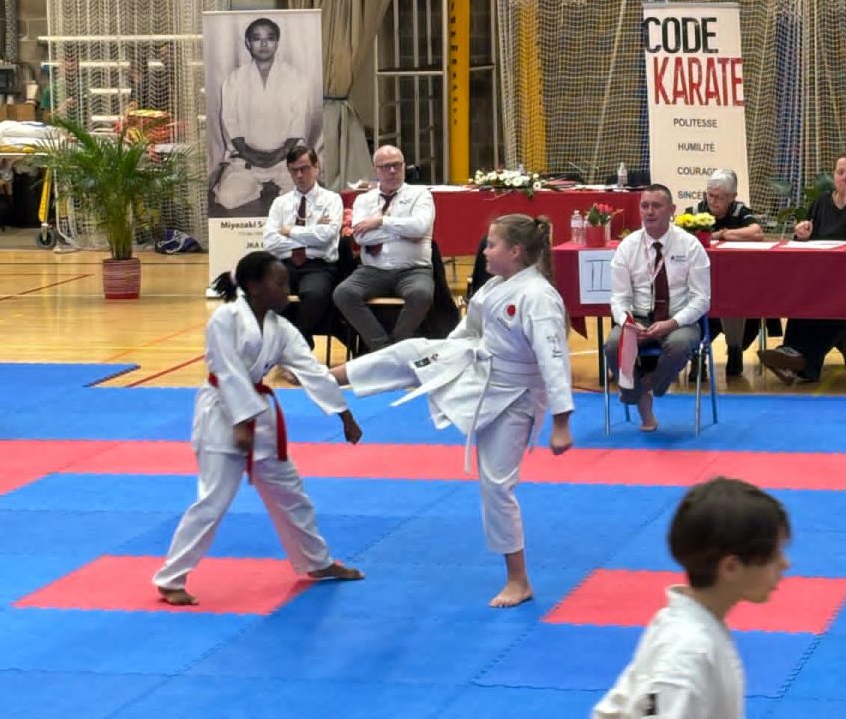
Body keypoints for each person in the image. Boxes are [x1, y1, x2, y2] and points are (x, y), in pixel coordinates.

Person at [332, 213, 573, 608]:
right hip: (480, 368)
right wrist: (443, 354)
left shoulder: (538, 297)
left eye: (491, 245)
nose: (484, 251)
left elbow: (555, 360)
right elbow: (469, 330)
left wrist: (561, 422)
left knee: (496, 485)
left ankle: (519, 580)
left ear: (515, 251)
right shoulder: (494, 286)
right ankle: (329, 378)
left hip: (516, 396)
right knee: (413, 351)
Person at [152, 250, 363, 605]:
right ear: (253, 286)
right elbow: (228, 370)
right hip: (222, 414)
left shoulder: (281, 329)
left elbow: (311, 370)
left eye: (286, 284)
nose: (286, 291)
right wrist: (241, 422)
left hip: (260, 417)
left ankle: (316, 561)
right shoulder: (226, 319)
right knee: (213, 501)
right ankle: (171, 578)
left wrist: (345, 415)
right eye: (278, 283)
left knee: (292, 495)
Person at [592, 477, 790, 719]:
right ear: (731, 568)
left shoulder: (680, 624)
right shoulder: (688, 654)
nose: (785, 564)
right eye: (774, 556)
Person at [759, 153, 846, 384]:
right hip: (821, 279)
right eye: (840, 172)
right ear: (834, 176)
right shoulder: (822, 202)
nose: (844, 177)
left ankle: (798, 362)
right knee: (803, 301)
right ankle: (793, 358)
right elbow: (806, 240)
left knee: (838, 307)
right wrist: (802, 235)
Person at [605, 184, 711, 433]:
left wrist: (672, 323)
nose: (650, 211)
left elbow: (702, 299)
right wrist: (628, 323)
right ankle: (641, 401)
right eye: (645, 206)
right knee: (613, 345)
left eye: (656, 206)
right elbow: (618, 298)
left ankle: (646, 386)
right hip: (638, 318)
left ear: (672, 210)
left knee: (679, 345)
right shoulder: (627, 247)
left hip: (678, 319)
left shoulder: (691, 245)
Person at [333, 144, 435, 351]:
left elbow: (419, 227)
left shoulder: (421, 195)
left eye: (397, 165)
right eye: (386, 166)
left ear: (404, 166)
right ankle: (384, 350)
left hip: (413, 269)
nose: (392, 171)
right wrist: (403, 230)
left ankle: (394, 348)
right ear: (375, 170)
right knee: (343, 293)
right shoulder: (364, 200)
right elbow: (361, 237)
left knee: (422, 294)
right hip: (372, 270)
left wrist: (381, 221)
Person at [215, 17, 322, 211]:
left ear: (277, 43)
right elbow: (229, 120)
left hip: (286, 158)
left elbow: (299, 120)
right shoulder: (235, 79)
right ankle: (256, 185)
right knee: (227, 198)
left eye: (269, 38)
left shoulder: (295, 77)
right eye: (257, 38)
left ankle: (276, 185)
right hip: (246, 159)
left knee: (305, 197)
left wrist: (281, 154)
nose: (264, 44)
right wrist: (250, 154)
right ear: (248, 43)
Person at [262, 143, 344, 349]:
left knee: (315, 294)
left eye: (304, 168)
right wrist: (311, 235)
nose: (299, 175)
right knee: (268, 291)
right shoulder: (280, 203)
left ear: (316, 167)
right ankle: (299, 345)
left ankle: (296, 347)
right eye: (294, 170)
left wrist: (289, 231)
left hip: (319, 266)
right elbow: (270, 241)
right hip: (285, 265)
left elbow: (325, 237)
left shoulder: (332, 200)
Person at [693, 168, 764, 379]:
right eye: (710, 195)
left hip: (734, 280)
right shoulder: (696, 210)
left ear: (732, 197)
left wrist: (722, 234)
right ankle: (697, 356)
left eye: (719, 197)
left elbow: (757, 232)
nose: (713, 201)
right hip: (700, 280)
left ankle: (735, 351)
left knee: (734, 301)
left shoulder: (739, 210)